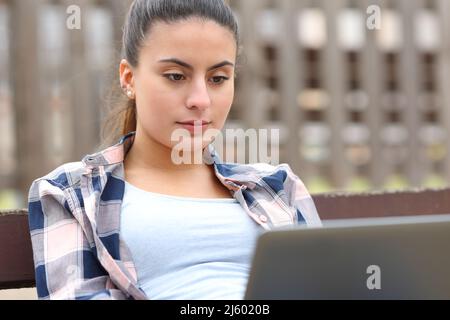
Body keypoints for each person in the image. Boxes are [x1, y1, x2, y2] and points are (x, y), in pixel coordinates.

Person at [27, 0, 322, 300]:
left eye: (218, 79)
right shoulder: (71, 194)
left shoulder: (276, 185)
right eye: (176, 76)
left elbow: (328, 285)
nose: (201, 99)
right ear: (129, 78)